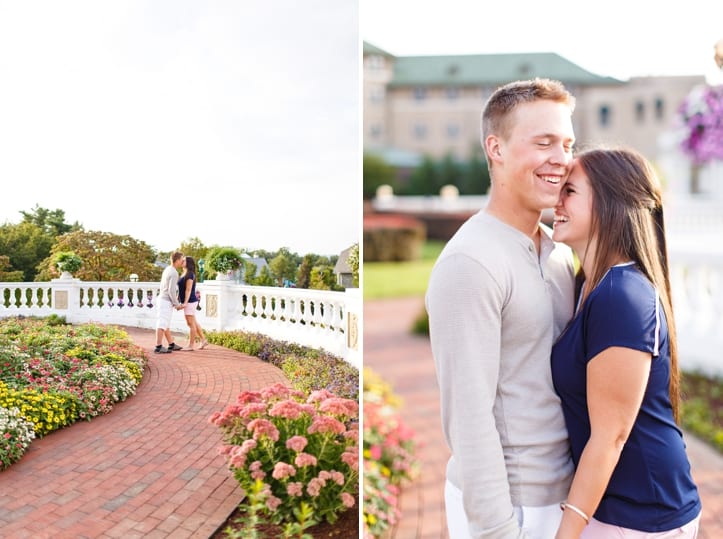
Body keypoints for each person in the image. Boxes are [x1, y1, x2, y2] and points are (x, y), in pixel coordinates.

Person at [425, 78, 577, 538]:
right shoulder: (470, 262)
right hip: (510, 507)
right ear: (497, 148)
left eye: (568, 144)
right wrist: (497, 529)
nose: (562, 159)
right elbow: (467, 416)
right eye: (544, 142)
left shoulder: (559, 251)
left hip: (564, 499)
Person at [551, 147, 701, 538]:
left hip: (643, 515)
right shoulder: (589, 284)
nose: (556, 200)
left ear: (609, 202)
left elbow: (610, 436)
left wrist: (565, 533)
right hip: (615, 507)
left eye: (569, 190)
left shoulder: (621, 296)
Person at [154, 251, 185, 354]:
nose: (183, 262)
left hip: (162, 299)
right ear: (177, 260)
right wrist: (177, 304)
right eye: (182, 260)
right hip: (165, 301)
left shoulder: (168, 269)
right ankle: (158, 346)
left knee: (165, 323)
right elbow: (172, 291)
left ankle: (171, 344)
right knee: (162, 323)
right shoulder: (174, 272)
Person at [177, 255, 208, 351]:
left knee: (190, 324)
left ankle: (191, 345)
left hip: (190, 301)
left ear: (188, 263)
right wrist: (178, 299)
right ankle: (203, 340)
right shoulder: (184, 273)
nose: (182, 261)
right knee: (193, 322)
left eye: (184, 260)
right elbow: (181, 289)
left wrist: (185, 303)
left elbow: (188, 289)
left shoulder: (190, 274)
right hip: (189, 301)